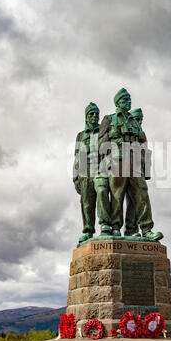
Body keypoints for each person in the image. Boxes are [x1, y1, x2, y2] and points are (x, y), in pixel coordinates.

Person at [98, 88, 163, 241]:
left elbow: (143, 144)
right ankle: (115, 227)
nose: (128, 102)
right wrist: (112, 142)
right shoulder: (109, 119)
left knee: (142, 193)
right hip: (117, 161)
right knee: (116, 195)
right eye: (125, 100)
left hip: (134, 163)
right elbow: (101, 144)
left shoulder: (135, 122)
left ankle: (146, 229)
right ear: (117, 102)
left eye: (129, 100)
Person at [73, 103, 111, 245]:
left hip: (100, 168)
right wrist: (75, 177)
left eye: (96, 114)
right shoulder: (80, 136)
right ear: (86, 117)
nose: (94, 116)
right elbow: (76, 157)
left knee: (102, 191)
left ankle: (105, 225)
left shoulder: (103, 132)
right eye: (91, 114)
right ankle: (88, 230)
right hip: (84, 171)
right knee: (87, 202)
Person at [124, 107, 151, 237]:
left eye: (141, 119)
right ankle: (129, 229)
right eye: (137, 119)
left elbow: (145, 152)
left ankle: (133, 229)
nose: (139, 121)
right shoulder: (128, 131)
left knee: (136, 200)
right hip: (123, 169)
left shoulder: (142, 134)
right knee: (126, 201)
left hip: (138, 169)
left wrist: (146, 172)